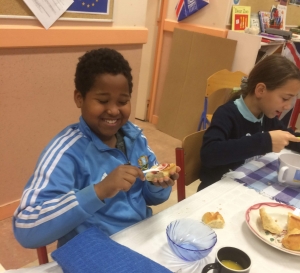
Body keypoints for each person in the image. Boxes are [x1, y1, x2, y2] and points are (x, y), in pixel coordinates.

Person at [13, 48, 180, 248]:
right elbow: (25, 228)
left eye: (123, 101)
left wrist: (157, 184)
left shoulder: (136, 138)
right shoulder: (66, 153)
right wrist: (99, 191)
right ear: (79, 98)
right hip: (96, 251)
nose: (113, 110)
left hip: (139, 239)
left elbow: (150, 198)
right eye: (102, 101)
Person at [198, 55, 300, 191]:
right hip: (216, 190)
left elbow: (290, 138)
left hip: (245, 184)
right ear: (261, 90)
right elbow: (209, 154)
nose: (287, 106)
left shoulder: (267, 116)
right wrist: (265, 142)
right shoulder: (227, 114)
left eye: (291, 100)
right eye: (285, 98)